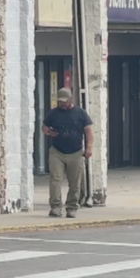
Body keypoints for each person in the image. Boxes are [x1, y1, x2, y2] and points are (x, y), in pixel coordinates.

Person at [42, 87, 94, 218]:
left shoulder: (80, 113)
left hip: (76, 151)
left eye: (65, 101)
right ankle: (55, 206)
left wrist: (89, 147)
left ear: (71, 99)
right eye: (60, 101)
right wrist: (49, 132)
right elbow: (44, 127)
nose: (62, 104)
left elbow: (88, 130)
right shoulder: (53, 113)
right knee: (55, 179)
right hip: (57, 151)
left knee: (75, 181)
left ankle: (71, 207)